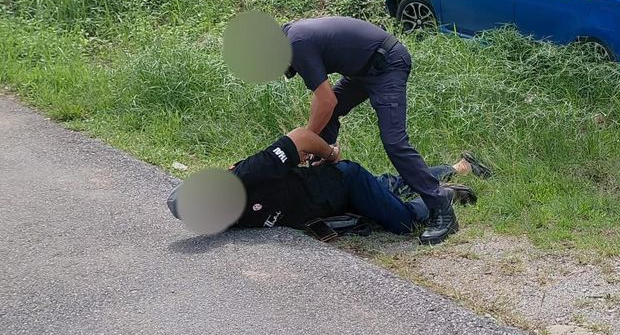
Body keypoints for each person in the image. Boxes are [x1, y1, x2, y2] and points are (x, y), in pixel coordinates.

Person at [281, 16, 461, 238]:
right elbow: (323, 99)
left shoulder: (295, 44)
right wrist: (319, 144)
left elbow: (326, 100)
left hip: (387, 65)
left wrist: (307, 139)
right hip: (363, 70)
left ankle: (440, 206)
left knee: (394, 141)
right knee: (330, 115)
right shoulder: (293, 36)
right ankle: (323, 167)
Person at [173, 126, 488, 245]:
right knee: (390, 185)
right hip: (332, 200)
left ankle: (443, 196)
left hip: (344, 184)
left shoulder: (247, 175)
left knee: (403, 222)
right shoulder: (228, 220)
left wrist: (330, 153)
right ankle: (460, 167)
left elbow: (300, 137)